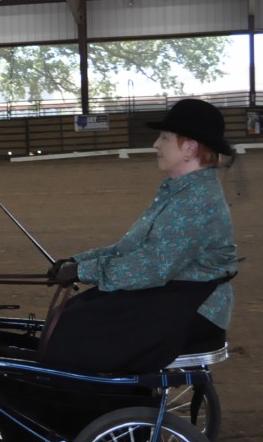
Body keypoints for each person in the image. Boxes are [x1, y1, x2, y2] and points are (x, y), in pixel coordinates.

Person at [42, 98, 238, 373]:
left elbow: (152, 266)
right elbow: (132, 247)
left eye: (165, 137)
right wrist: (78, 261)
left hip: (194, 307)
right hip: (175, 292)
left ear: (190, 148)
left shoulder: (196, 200)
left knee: (79, 328)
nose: (156, 144)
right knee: (75, 314)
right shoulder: (180, 190)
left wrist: (83, 270)